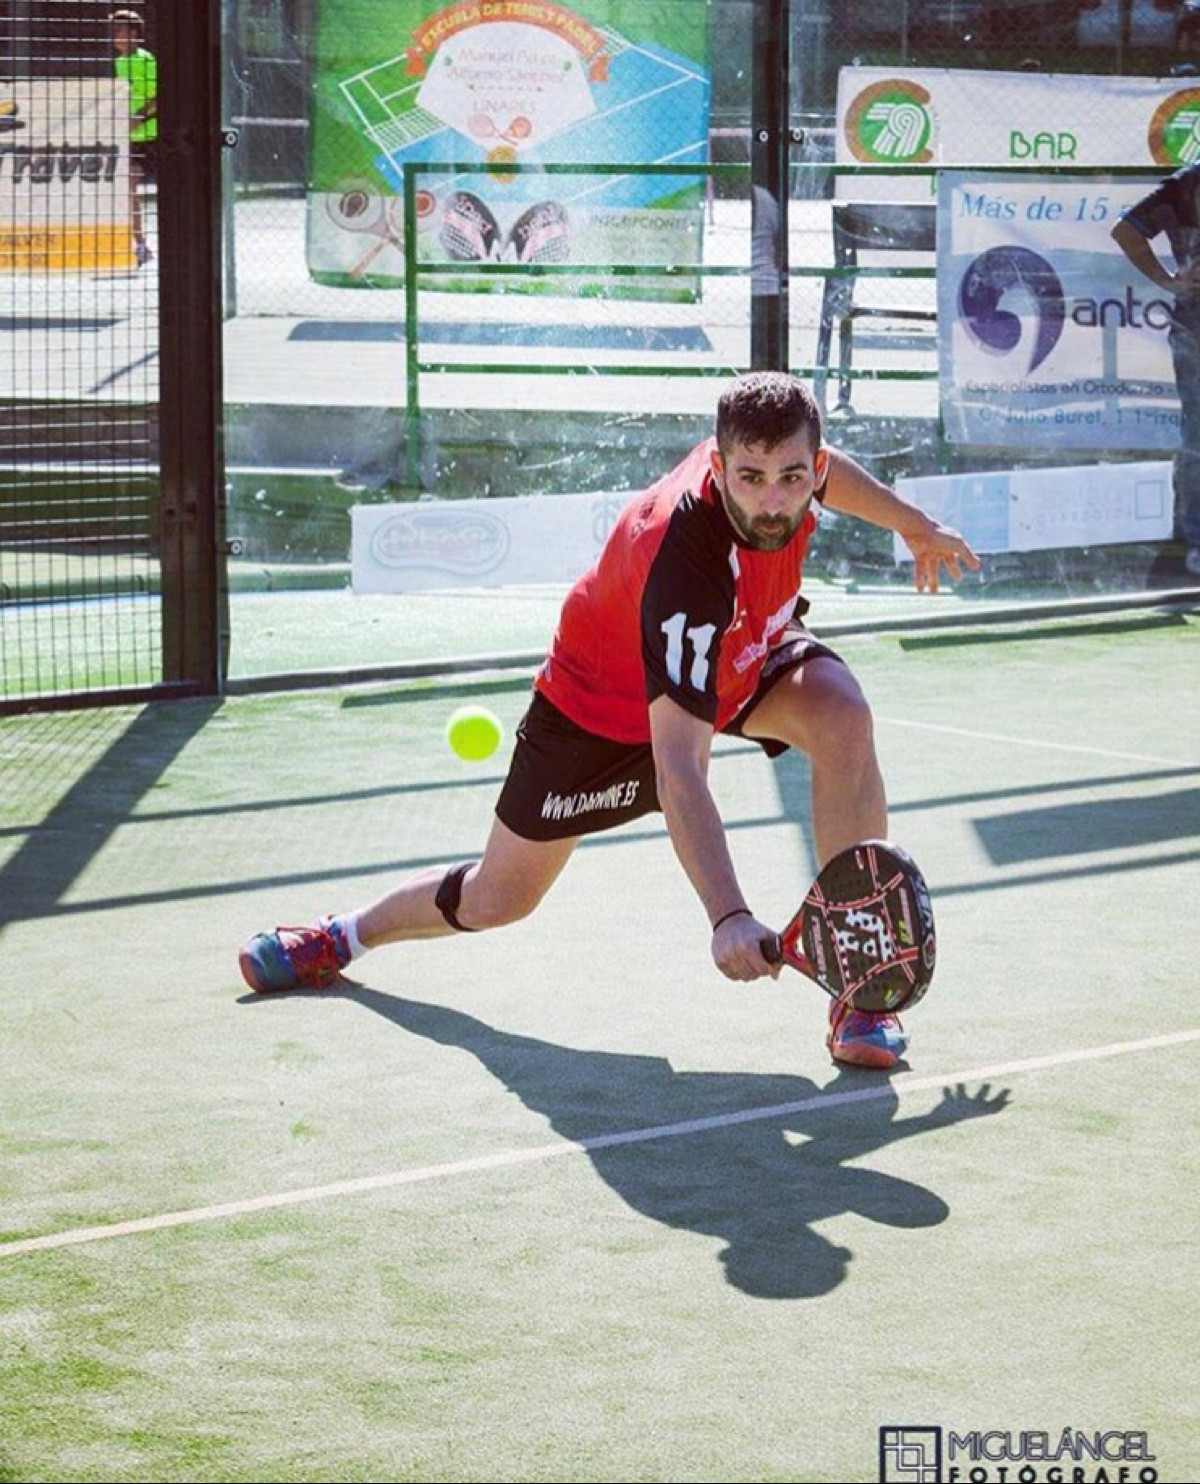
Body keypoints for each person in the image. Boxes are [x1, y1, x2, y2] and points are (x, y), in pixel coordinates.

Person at [238, 372, 980, 1070]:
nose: (773, 502)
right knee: (498, 897)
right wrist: (728, 914)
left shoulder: (795, 471)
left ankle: (859, 990)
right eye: (750, 479)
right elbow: (678, 768)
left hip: (739, 652)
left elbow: (829, 471)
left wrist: (914, 525)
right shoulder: (685, 563)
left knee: (842, 715)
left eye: (791, 478)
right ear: (718, 469)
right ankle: (340, 938)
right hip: (602, 708)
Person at [1112, 169, 1200, 577]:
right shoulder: (1183, 187)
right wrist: (1169, 281)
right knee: (1197, 437)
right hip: (1195, 330)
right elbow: (1125, 231)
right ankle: (1195, 541)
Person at [109, 8, 156, 267]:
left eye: (121, 29)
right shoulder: (118, 62)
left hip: (153, 137)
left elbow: (160, 95)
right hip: (130, 139)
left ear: (135, 33)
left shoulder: (146, 61)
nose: (116, 34)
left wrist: (140, 116)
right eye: (114, 30)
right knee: (129, 189)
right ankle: (140, 244)